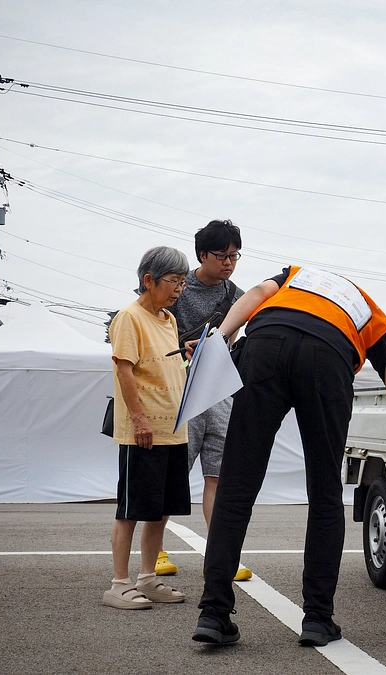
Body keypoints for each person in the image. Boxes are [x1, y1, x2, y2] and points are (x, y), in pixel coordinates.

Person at [191, 265, 386, 645]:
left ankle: (213, 613)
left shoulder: (296, 275)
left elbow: (255, 295)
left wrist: (218, 339)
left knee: (235, 487)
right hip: (328, 359)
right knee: (324, 494)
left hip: (265, 345)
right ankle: (317, 619)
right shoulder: (370, 314)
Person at [158, 219, 252, 581]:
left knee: (218, 478)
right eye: (221, 255)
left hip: (219, 392)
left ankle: (220, 557)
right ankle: (156, 551)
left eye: (234, 256)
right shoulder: (178, 288)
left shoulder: (238, 295)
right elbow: (156, 335)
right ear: (202, 255)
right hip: (180, 392)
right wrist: (181, 349)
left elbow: (233, 341)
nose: (229, 262)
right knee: (172, 476)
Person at [102, 246, 191, 610]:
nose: (179, 288)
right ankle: (118, 584)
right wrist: (139, 419)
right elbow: (124, 371)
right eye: (173, 281)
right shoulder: (129, 317)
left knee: (161, 509)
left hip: (174, 429)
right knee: (131, 509)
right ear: (149, 280)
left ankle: (147, 578)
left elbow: (165, 367)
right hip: (143, 431)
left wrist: (187, 356)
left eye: (183, 282)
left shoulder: (168, 320)